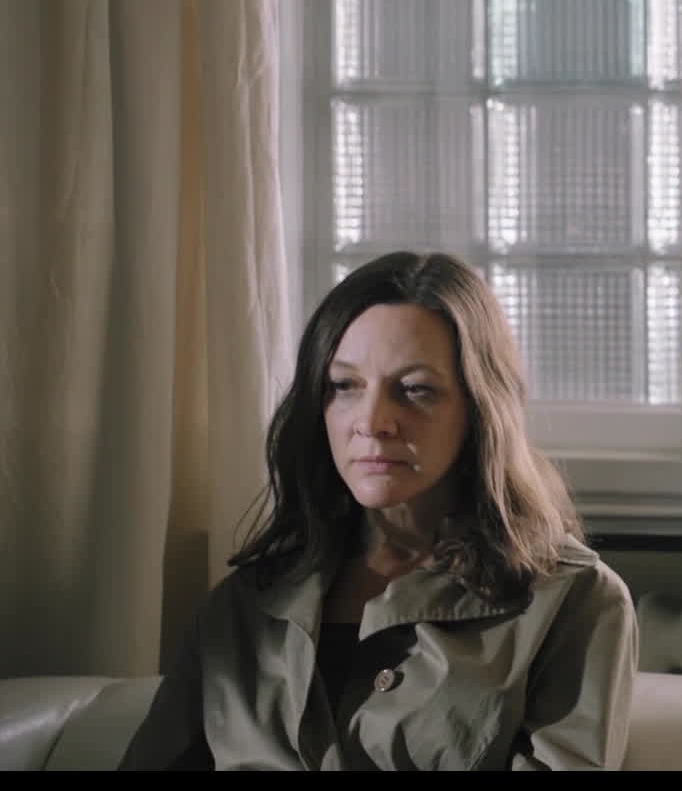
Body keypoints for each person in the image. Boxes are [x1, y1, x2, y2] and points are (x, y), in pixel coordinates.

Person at [120, 251, 639, 770]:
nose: (372, 422)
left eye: (415, 390)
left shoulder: (573, 601)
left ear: (480, 408)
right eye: (344, 386)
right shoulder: (245, 605)